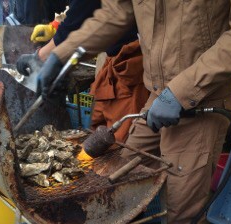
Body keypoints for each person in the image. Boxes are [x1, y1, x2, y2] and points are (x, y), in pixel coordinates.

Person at [36, 0, 231, 224]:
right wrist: (61, 55)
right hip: (157, 94)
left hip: (203, 99)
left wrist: (182, 91)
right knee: (118, 176)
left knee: (180, 219)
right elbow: (115, 13)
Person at [17, 0, 149, 142]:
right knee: (97, 127)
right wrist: (57, 26)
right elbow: (95, 10)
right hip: (108, 53)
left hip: (130, 59)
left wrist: (45, 55)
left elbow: (86, 9)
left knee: (119, 139)